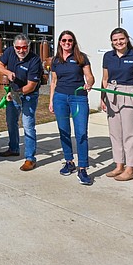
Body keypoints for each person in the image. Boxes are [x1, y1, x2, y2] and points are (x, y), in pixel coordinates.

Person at [100, 27, 133, 182]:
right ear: (112, 42)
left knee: (130, 133)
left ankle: (130, 168)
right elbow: (105, 79)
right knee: (115, 133)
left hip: (129, 92)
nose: (118, 42)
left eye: (121, 39)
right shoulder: (108, 56)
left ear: (127, 39)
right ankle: (119, 165)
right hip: (112, 92)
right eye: (115, 40)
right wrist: (103, 97)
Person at [48, 30, 95, 185]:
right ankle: (69, 161)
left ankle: (83, 168)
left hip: (78, 98)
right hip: (60, 98)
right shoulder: (55, 60)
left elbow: (89, 76)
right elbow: (53, 81)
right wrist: (51, 101)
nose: (67, 43)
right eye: (64, 41)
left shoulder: (81, 57)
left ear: (73, 42)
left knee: (81, 133)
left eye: (69, 41)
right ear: (60, 42)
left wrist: (89, 83)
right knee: (64, 131)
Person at [0, 33, 43, 171]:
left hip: (29, 96)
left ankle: (30, 159)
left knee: (28, 125)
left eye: (24, 47)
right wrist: (8, 72)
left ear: (29, 46)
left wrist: (14, 94)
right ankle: (14, 148)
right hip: (13, 92)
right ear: (14, 47)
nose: (21, 50)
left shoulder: (35, 61)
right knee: (11, 121)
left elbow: (30, 86)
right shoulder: (9, 52)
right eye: (18, 47)